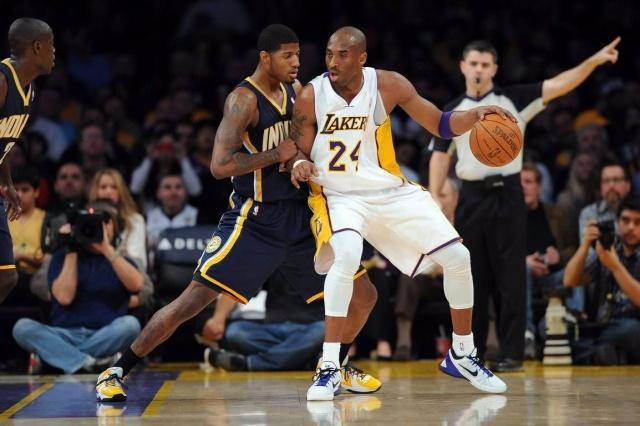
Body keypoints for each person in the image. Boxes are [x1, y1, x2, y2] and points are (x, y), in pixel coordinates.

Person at [96, 24, 379, 402]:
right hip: (255, 220)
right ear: (265, 57)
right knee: (191, 302)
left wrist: (301, 159)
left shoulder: (296, 90)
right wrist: (275, 155)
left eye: (298, 55)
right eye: (287, 55)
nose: (296, 62)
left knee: (364, 295)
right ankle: (116, 370)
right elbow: (219, 165)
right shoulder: (242, 100)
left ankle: (335, 365)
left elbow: (302, 143)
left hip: (299, 218)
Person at [289, 26, 513, 400]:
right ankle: (329, 367)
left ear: (362, 58)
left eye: (342, 55)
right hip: (339, 196)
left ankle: (462, 353)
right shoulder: (312, 95)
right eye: (329, 54)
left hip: (388, 191)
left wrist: (474, 115)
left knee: (459, 257)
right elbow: (297, 148)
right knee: (347, 256)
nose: (333, 62)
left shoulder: (388, 85)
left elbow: (441, 124)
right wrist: (299, 163)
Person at [428, 37, 621, 372]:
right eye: (473, 63)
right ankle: (471, 354)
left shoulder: (513, 99)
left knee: (511, 275)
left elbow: (559, 84)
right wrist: (434, 199)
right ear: (462, 66)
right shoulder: (452, 110)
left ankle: (511, 353)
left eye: (485, 64)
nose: (478, 69)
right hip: (471, 196)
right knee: (472, 276)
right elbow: (439, 156)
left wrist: (593, 61)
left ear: (494, 69)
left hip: (508, 192)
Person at [12, 200, 143, 373]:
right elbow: (64, 298)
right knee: (22, 327)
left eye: (101, 223)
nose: (93, 228)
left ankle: (58, 358)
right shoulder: (61, 257)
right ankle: (91, 362)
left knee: (131, 325)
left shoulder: (121, 259)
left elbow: (136, 285)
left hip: (106, 333)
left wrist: (107, 249)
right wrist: (71, 248)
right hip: (64, 334)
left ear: (111, 226)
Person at [0, 18, 55, 303]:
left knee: (6, 277)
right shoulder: (1, 81)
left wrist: (7, 183)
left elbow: (3, 142)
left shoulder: (29, 90)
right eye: (51, 45)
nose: (54, 52)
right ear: (37, 47)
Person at [563, 197, 640, 364]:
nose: (631, 227)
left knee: (632, 330)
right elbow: (569, 280)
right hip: (601, 327)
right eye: (625, 220)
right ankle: (606, 354)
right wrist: (585, 245)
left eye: (637, 222)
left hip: (631, 326)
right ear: (617, 222)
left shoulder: (612, 256)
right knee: (555, 328)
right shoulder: (609, 248)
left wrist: (615, 267)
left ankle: (593, 354)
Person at [203, 269, 325, 371]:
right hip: (271, 330)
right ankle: (304, 360)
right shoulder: (274, 259)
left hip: (310, 327)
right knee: (236, 331)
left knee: (324, 329)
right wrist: (218, 318)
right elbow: (238, 286)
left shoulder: (323, 261)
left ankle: (247, 364)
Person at [88, 168, 147, 271]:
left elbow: (139, 262)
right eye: (103, 187)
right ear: (95, 191)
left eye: (114, 187)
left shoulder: (135, 220)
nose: (108, 192)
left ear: (121, 192)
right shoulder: (86, 218)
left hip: (127, 273)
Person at [578, 160, 631, 243]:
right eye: (606, 181)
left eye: (616, 180)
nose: (611, 185)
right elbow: (588, 250)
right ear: (601, 187)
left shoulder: (637, 212)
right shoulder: (589, 213)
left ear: (628, 186)